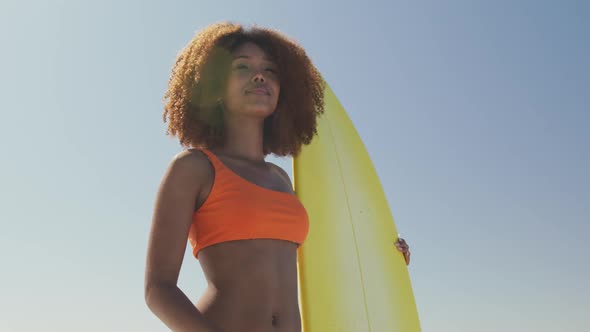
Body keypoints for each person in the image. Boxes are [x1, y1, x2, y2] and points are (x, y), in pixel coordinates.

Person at [144, 22, 411, 332]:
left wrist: (383, 257)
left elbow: (318, 270)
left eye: (270, 70)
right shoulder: (193, 168)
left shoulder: (283, 179)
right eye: (242, 66)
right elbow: (158, 290)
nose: (260, 75)